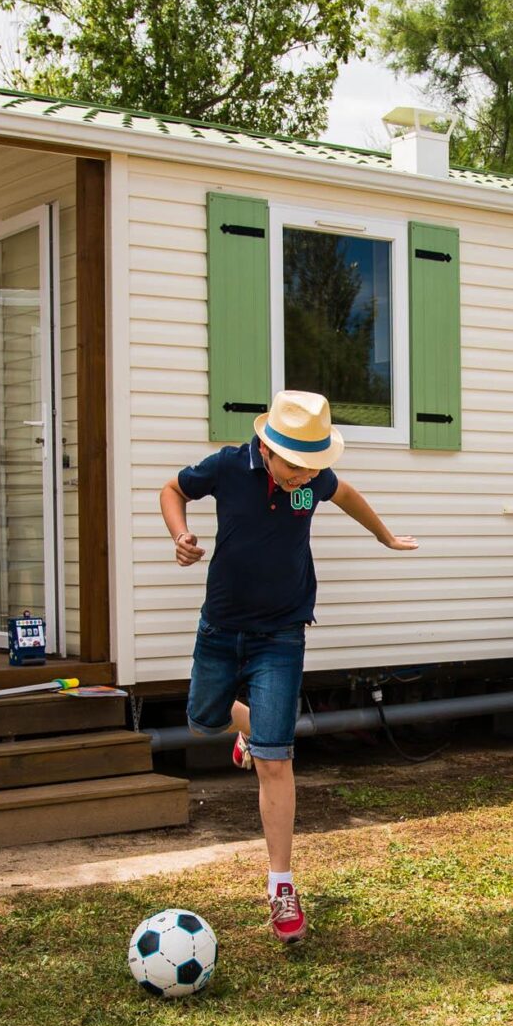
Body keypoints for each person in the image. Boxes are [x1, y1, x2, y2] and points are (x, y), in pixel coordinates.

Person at [159, 390, 419, 942]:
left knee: (276, 760)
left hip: (283, 633)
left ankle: (281, 886)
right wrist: (180, 535)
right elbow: (173, 489)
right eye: (297, 466)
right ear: (266, 448)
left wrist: (386, 536)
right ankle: (251, 729)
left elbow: (344, 492)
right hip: (222, 628)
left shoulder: (312, 479)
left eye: (314, 466)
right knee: (203, 719)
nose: (306, 477)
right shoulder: (230, 466)